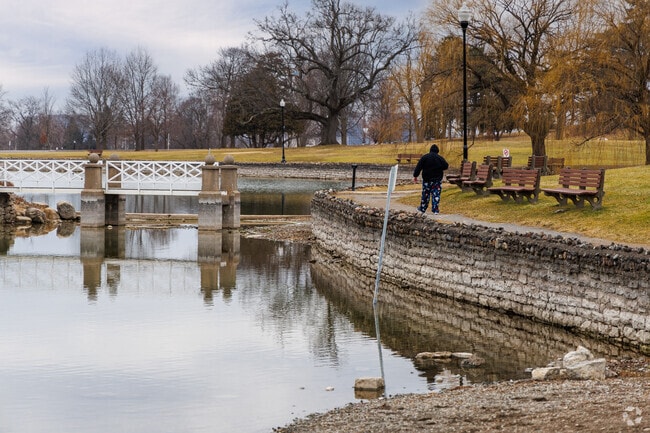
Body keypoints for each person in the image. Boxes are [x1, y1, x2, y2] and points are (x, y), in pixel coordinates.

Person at [412, 144, 449, 215]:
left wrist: (415, 176)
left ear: (430, 150)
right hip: (437, 180)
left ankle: (422, 208)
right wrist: (439, 168)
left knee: (425, 195)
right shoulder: (440, 158)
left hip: (427, 180)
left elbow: (418, 167)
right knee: (436, 195)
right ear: (437, 151)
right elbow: (446, 166)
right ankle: (435, 210)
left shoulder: (425, 157)